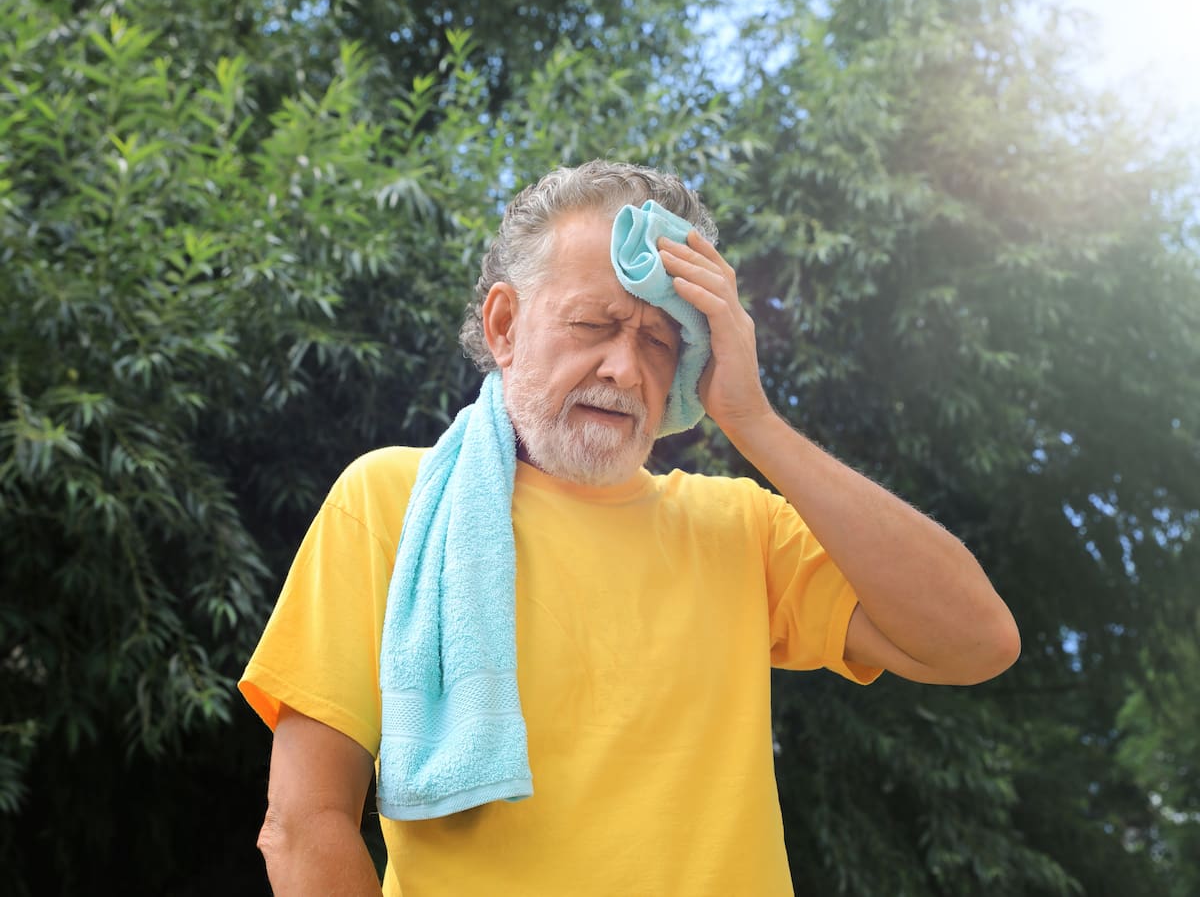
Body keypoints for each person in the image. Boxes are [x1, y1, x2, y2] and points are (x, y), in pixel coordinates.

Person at [239, 160, 1020, 896]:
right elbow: (305, 824)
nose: (625, 368)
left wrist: (755, 422)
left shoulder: (738, 529)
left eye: (659, 341)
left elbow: (975, 641)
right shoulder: (392, 502)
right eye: (593, 324)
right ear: (505, 325)